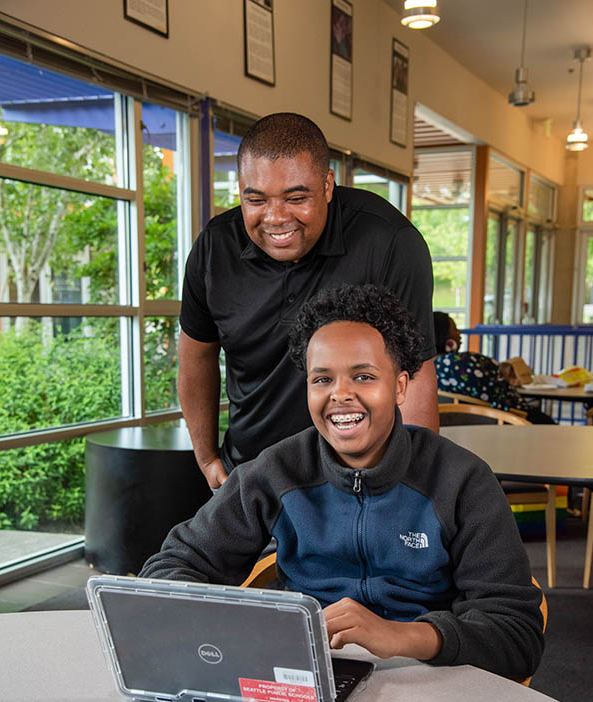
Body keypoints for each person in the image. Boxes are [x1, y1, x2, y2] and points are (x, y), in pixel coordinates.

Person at [141, 285, 544, 680]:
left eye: (364, 377)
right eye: (322, 380)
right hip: (304, 677)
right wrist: (247, 626)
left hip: (426, 677)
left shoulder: (462, 481)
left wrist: (404, 636)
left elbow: (517, 636)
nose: (340, 394)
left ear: (400, 386)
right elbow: (170, 567)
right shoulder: (276, 471)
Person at [178, 112, 438, 490]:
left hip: (357, 484)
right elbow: (196, 355)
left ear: (328, 184)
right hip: (250, 478)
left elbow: (415, 377)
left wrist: (414, 495)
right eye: (256, 199)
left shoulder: (390, 243)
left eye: (296, 198)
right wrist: (206, 458)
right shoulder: (215, 247)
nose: (276, 217)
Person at [433, 311, 555, 424]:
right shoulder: (461, 362)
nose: (459, 333)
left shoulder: (428, 367)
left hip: (465, 423)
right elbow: (498, 391)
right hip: (509, 418)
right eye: (454, 329)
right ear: (443, 335)